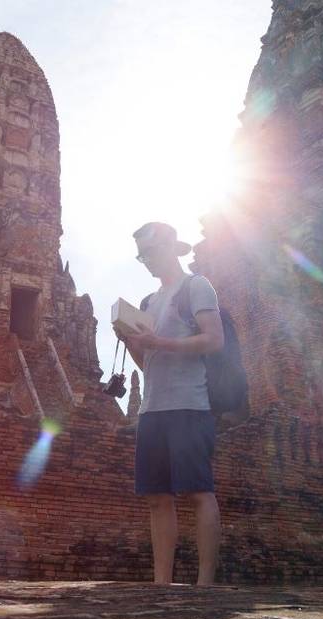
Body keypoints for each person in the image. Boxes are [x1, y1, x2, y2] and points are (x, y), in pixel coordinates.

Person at [115, 221, 225, 586]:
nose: (146, 261)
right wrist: (131, 339)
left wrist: (160, 342)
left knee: (197, 491)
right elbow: (147, 365)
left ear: (169, 248)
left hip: (189, 404)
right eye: (141, 255)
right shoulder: (149, 302)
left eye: (150, 252)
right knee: (157, 497)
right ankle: (162, 584)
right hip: (152, 409)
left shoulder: (196, 287)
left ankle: (205, 584)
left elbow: (213, 339)